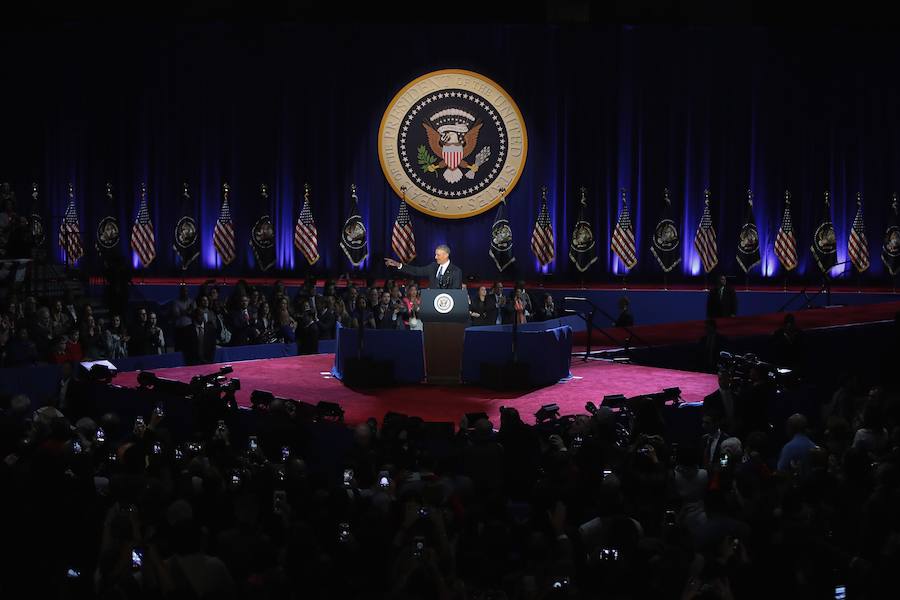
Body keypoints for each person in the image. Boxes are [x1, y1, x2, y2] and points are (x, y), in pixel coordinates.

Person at [384, 244, 462, 289]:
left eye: (438, 255)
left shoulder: (456, 271)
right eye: (435, 254)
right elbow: (416, 271)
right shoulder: (433, 266)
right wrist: (398, 265)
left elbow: (455, 292)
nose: (435, 257)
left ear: (446, 255)